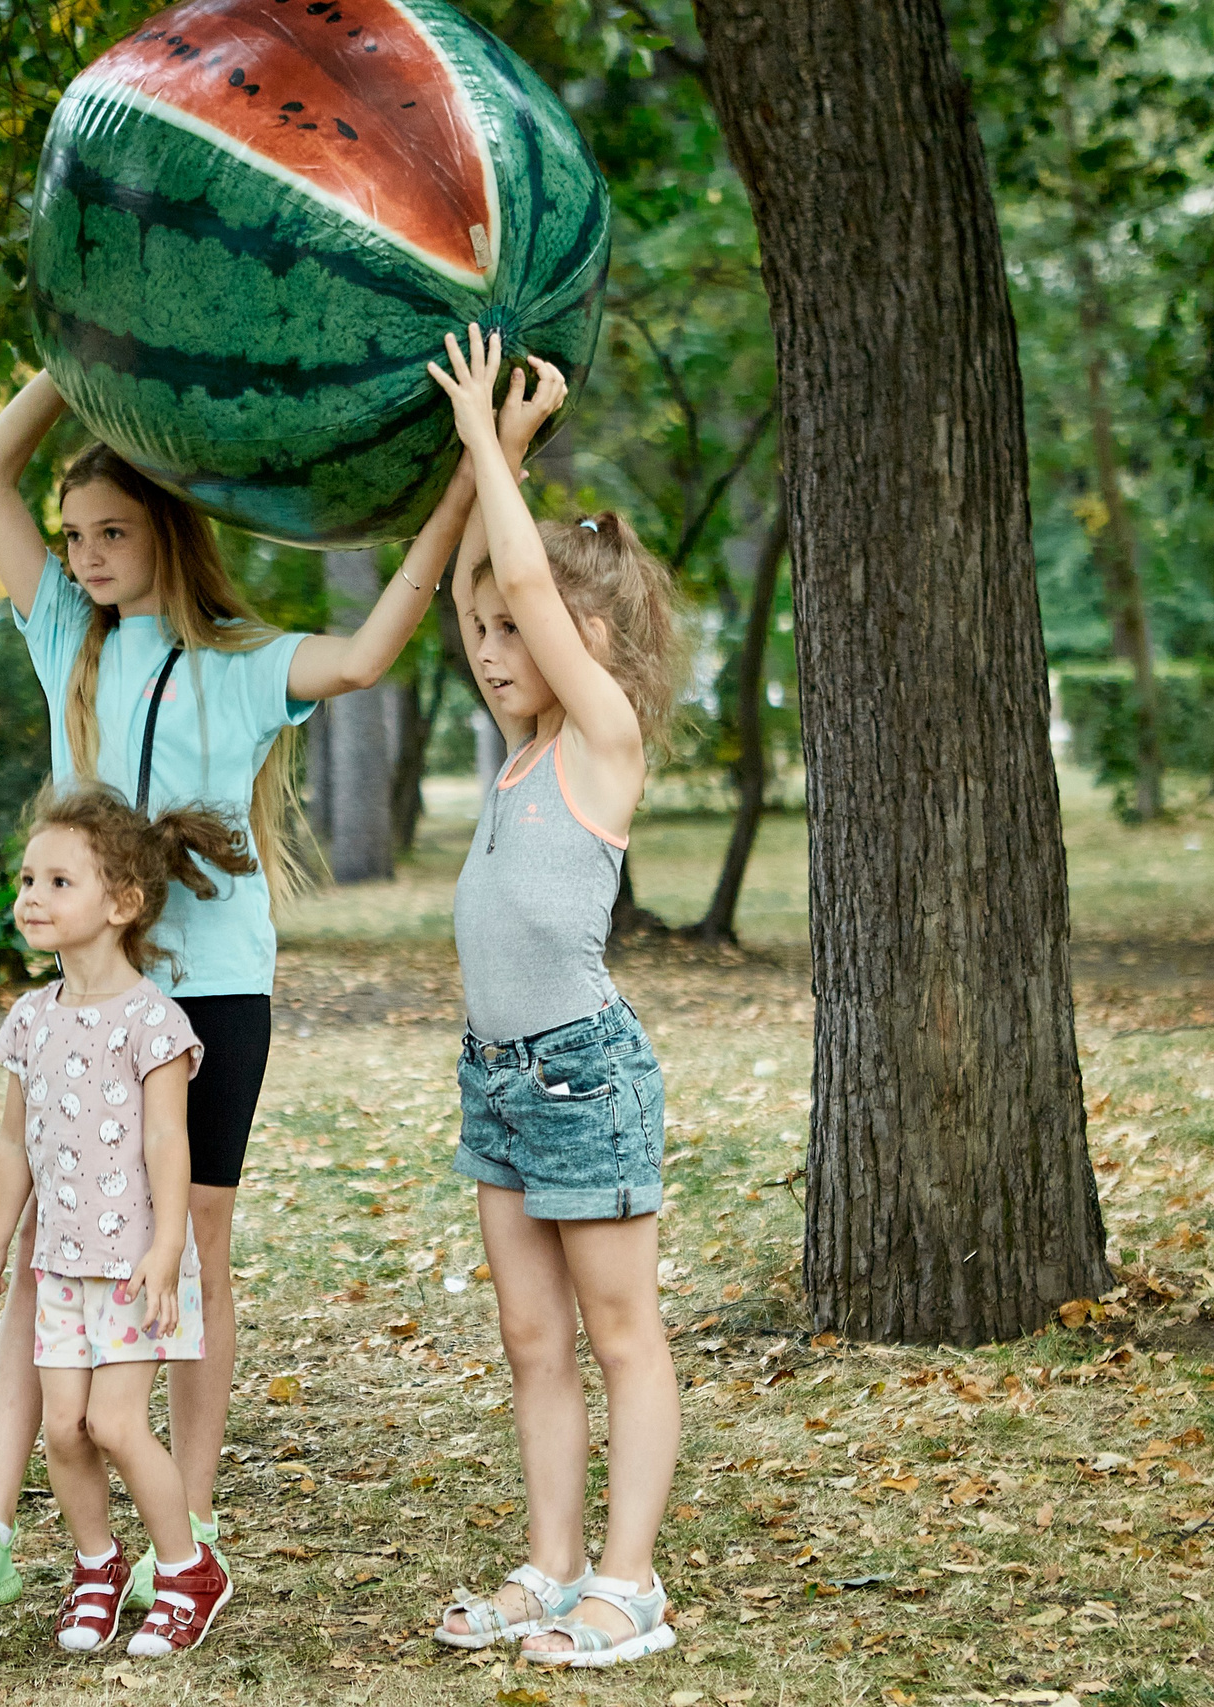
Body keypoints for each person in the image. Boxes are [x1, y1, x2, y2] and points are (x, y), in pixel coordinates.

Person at [0, 372, 554, 1627]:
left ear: (170, 533)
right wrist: (75, 360)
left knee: (190, 1249)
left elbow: (369, 651)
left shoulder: (249, 664)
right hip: (90, 999)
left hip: (210, 1001)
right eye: (77, 535)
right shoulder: (63, 637)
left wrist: (477, 467)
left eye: (114, 535)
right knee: (44, 1248)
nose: (88, 558)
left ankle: (183, 1525)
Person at [421, 327, 690, 1667]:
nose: (490, 641)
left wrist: (482, 433)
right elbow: (489, 564)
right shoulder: (525, 747)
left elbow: (515, 567)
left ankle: (628, 1583)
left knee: (619, 1329)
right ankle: (553, 1561)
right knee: (533, 1335)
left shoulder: (602, 737)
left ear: (593, 641)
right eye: (478, 635)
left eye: (517, 630)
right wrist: (508, 452)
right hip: (499, 1077)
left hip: (582, 1072)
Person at [0, 784, 256, 1655]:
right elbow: (13, 1145)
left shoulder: (152, 1022)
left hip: (133, 1261)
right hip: (59, 1264)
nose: (31, 898)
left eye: (59, 882)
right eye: (26, 880)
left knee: (117, 1423)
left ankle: (185, 1567)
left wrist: (169, 1248)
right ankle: (96, 1563)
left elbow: (172, 1142)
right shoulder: (30, 1019)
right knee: (61, 1427)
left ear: (121, 904)